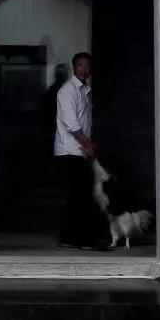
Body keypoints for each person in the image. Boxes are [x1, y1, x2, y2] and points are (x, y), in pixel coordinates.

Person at [54, 52, 109, 250]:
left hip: (81, 150)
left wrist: (87, 145)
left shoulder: (85, 90)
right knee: (82, 195)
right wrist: (87, 144)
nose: (84, 70)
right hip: (71, 150)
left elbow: (86, 122)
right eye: (80, 66)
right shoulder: (68, 91)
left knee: (77, 195)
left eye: (87, 66)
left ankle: (68, 238)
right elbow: (72, 123)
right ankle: (84, 240)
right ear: (73, 68)